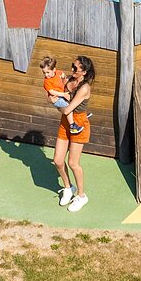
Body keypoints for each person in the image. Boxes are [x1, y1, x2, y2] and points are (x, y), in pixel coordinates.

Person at [52, 55, 94, 213]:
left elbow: (68, 108)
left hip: (79, 123)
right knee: (57, 160)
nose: (72, 70)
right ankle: (68, 187)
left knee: (73, 163)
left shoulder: (84, 88)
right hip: (65, 122)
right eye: (72, 66)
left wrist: (54, 102)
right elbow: (56, 93)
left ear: (84, 72)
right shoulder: (68, 80)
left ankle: (82, 196)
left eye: (75, 68)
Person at [39, 56, 83, 135]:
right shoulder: (47, 81)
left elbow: (62, 75)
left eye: (48, 72)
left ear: (54, 69)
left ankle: (81, 115)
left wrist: (64, 77)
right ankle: (72, 126)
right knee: (68, 107)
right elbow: (52, 92)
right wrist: (62, 94)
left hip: (61, 96)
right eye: (44, 73)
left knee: (72, 102)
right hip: (57, 98)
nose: (46, 75)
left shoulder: (57, 73)